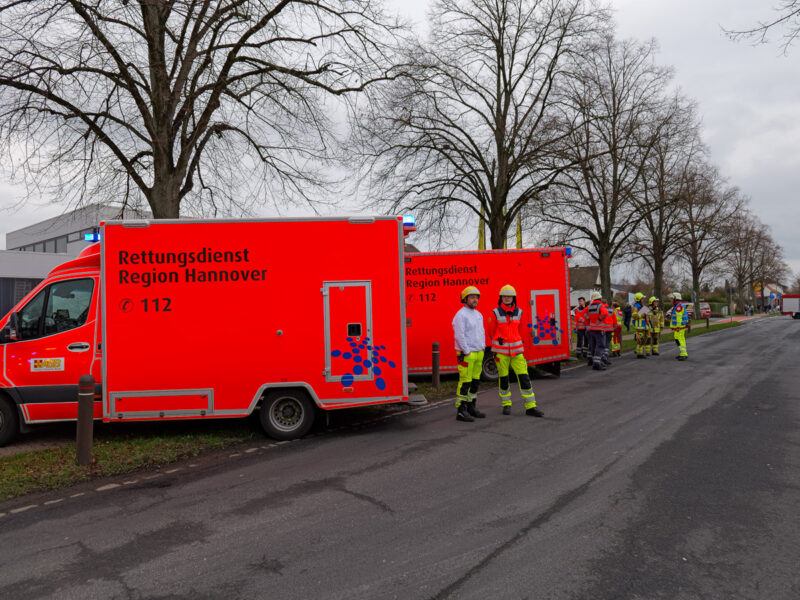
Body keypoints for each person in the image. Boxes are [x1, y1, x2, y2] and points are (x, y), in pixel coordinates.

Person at [487, 285, 543, 417]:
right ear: (501, 298)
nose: (507, 298)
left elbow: (521, 330)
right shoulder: (494, 312)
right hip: (501, 353)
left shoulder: (520, 312)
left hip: (517, 352)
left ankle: (531, 407)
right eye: (504, 296)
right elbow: (491, 332)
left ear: (513, 298)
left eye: (509, 296)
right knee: (504, 379)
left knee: (524, 378)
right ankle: (506, 404)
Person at [452, 286, 487, 422]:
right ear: (465, 299)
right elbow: (459, 336)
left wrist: (483, 347)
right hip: (467, 354)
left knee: (475, 383)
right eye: (472, 297)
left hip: (479, 353)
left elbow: (481, 332)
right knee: (465, 382)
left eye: (477, 297)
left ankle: (471, 407)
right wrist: (466, 351)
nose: (475, 299)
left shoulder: (478, 314)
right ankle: (461, 410)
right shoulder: (460, 315)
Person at [585, 291, 610, 370]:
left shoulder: (589, 306)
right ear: (600, 298)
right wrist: (599, 320)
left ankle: (595, 361)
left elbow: (584, 314)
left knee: (593, 345)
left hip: (592, 329)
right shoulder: (601, 305)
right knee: (600, 345)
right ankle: (597, 363)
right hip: (599, 329)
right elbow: (605, 313)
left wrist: (588, 322)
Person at [669, 292, 690, 361]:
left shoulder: (678, 306)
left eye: (672, 298)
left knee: (679, 339)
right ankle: (682, 353)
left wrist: (677, 327)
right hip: (680, 327)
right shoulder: (678, 305)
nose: (670, 299)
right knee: (679, 339)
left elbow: (679, 318)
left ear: (676, 298)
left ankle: (684, 354)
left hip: (680, 327)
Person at [631, 292, 650, 359]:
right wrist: (642, 315)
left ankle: (640, 353)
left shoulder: (641, 306)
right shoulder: (636, 306)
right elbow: (634, 316)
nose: (643, 299)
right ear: (638, 299)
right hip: (639, 326)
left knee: (642, 340)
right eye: (642, 298)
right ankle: (639, 354)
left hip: (643, 326)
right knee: (640, 340)